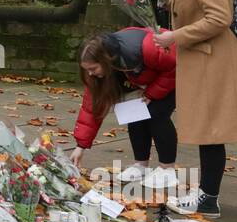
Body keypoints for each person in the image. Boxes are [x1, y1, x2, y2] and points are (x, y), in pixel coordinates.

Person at [151, 0, 237, 218]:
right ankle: (207, 196)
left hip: (213, 59)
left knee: (211, 129)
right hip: (202, 59)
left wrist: (174, 37)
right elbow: (192, 12)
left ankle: (209, 200)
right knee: (207, 129)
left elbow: (220, 17)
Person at [69, 28, 178, 190]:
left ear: (106, 60)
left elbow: (174, 66)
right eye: (87, 70)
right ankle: (140, 165)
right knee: (133, 113)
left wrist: (152, 92)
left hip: (172, 75)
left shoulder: (147, 48)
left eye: (93, 69)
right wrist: (80, 146)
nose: (90, 74)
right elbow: (91, 107)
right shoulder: (100, 71)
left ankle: (167, 169)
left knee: (157, 114)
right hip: (144, 82)